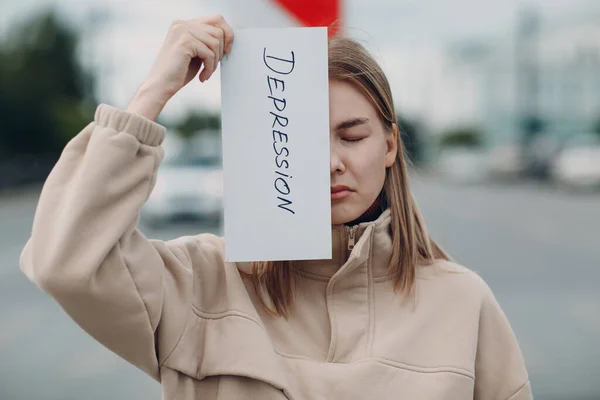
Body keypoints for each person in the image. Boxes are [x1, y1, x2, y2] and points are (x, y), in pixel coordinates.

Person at [19, 15, 532, 400]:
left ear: (390, 146)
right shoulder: (204, 282)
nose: (331, 162)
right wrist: (153, 93)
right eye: (303, 139)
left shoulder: (463, 303)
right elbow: (64, 261)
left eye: (352, 136)